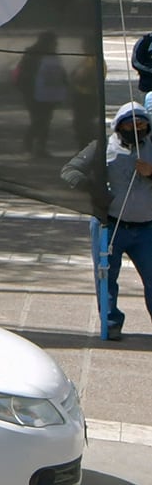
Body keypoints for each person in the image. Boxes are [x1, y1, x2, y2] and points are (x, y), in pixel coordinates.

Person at [63, 102, 152, 340]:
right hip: (110, 226)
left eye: (142, 123)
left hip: (146, 229)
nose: (137, 127)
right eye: (130, 124)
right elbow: (70, 171)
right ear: (119, 126)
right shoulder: (103, 147)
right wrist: (95, 190)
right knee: (106, 279)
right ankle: (111, 322)